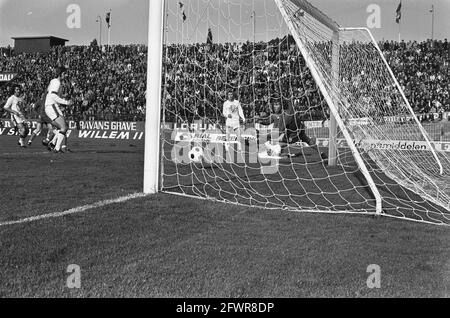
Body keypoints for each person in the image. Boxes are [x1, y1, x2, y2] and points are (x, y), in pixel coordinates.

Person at [257, 98, 328, 162]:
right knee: (307, 140)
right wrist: (259, 121)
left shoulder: (286, 116)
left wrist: (263, 138)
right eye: (274, 105)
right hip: (296, 129)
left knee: (282, 142)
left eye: (277, 104)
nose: (275, 107)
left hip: (295, 132)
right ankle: (322, 153)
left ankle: (275, 150)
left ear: (281, 105)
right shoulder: (276, 115)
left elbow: (279, 132)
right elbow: (267, 122)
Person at [44, 67, 72, 153]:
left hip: (50, 105)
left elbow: (49, 92)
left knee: (64, 127)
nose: (66, 75)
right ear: (60, 74)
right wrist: (66, 102)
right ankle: (56, 148)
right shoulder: (56, 82)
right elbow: (53, 95)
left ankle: (53, 144)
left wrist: (63, 96)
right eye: (65, 73)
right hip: (52, 105)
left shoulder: (54, 82)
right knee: (63, 127)